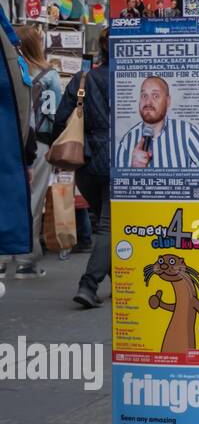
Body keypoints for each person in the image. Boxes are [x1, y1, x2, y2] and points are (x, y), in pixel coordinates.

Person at [53, 27, 112, 308]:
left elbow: (60, 119)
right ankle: (88, 285)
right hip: (121, 161)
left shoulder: (82, 78)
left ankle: (121, 281)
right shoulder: (134, 79)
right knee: (108, 226)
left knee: (105, 222)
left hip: (86, 162)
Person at [2, 25, 64, 279]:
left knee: (7, 195)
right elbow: (57, 113)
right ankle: (27, 260)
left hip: (10, 140)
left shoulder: (13, 70)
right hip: (39, 143)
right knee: (34, 199)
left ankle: (3, 258)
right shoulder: (49, 76)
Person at [114, 75, 199, 170]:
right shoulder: (127, 141)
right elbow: (118, 183)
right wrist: (133, 169)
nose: (148, 102)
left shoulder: (186, 132)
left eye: (155, 96)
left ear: (168, 101)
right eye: (144, 95)